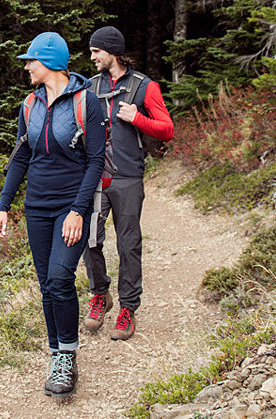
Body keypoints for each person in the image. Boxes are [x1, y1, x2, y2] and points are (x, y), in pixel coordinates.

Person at [0, 31, 108, 398]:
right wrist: (3, 206)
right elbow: (21, 156)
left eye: (31, 61)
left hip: (71, 205)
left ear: (51, 63)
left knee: (60, 278)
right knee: (46, 285)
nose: (27, 67)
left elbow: (94, 161)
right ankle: (56, 352)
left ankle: (67, 358)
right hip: (37, 208)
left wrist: (78, 210)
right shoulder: (29, 104)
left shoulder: (86, 102)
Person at [79, 26, 175, 341]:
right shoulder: (89, 87)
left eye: (96, 51)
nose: (91, 56)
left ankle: (127, 309)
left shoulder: (144, 87)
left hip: (128, 177)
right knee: (88, 238)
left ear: (111, 52)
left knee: (128, 244)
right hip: (94, 178)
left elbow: (166, 129)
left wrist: (137, 119)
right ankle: (99, 295)